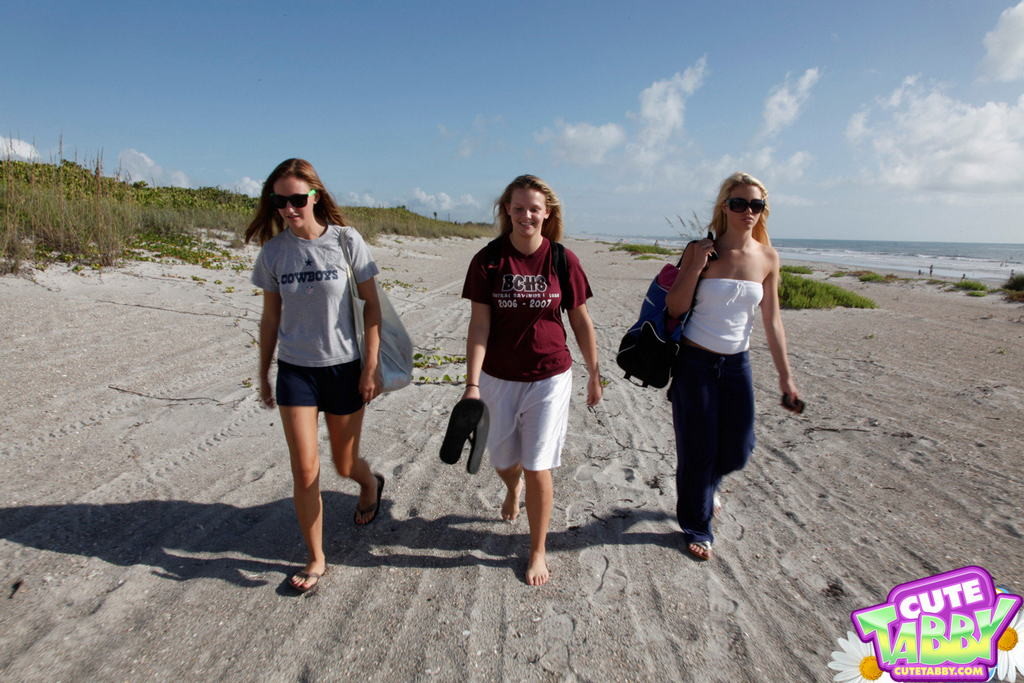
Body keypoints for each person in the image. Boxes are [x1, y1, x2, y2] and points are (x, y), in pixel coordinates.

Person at [246, 158, 386, 594]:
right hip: (295, 372)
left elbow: (372, 306)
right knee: (305, 469)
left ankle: (370, 483)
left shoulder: (346, 242)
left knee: (344, 465)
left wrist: (370, 366)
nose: (288, 209)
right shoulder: (273, 253)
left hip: (344, 368)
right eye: (279, 201)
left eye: (296, 199)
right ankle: (316, 557)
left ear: (315, 197)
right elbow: (270, 319)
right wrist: (264, 372)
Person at [461, 174, 602, 586]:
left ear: (547, 213)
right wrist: (472, 383)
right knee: (503, 460)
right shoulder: (488, 259)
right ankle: (511, 488)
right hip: (498, 376)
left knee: (539, 464)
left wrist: (594, 373)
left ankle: (537, 548)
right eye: (518, 208)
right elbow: (479, 326)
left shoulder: (562, 259)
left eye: (534, 209)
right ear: (507, 210)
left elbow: (580, 318)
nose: (526, 215)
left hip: (550, 375)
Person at [665, 172, 801, 562]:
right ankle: (698, 526)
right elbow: (675, 308)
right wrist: (693, 265)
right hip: (694, 364)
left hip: (737, 364)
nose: (747, 212)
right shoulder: (701, 249)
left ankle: (708, 487)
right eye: (739, 203)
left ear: (763, 211)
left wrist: (785, 376)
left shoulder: (768, 258)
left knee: (739, 449)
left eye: (755, 205)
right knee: (696, 452)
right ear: (724, 206)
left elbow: (773, 320)